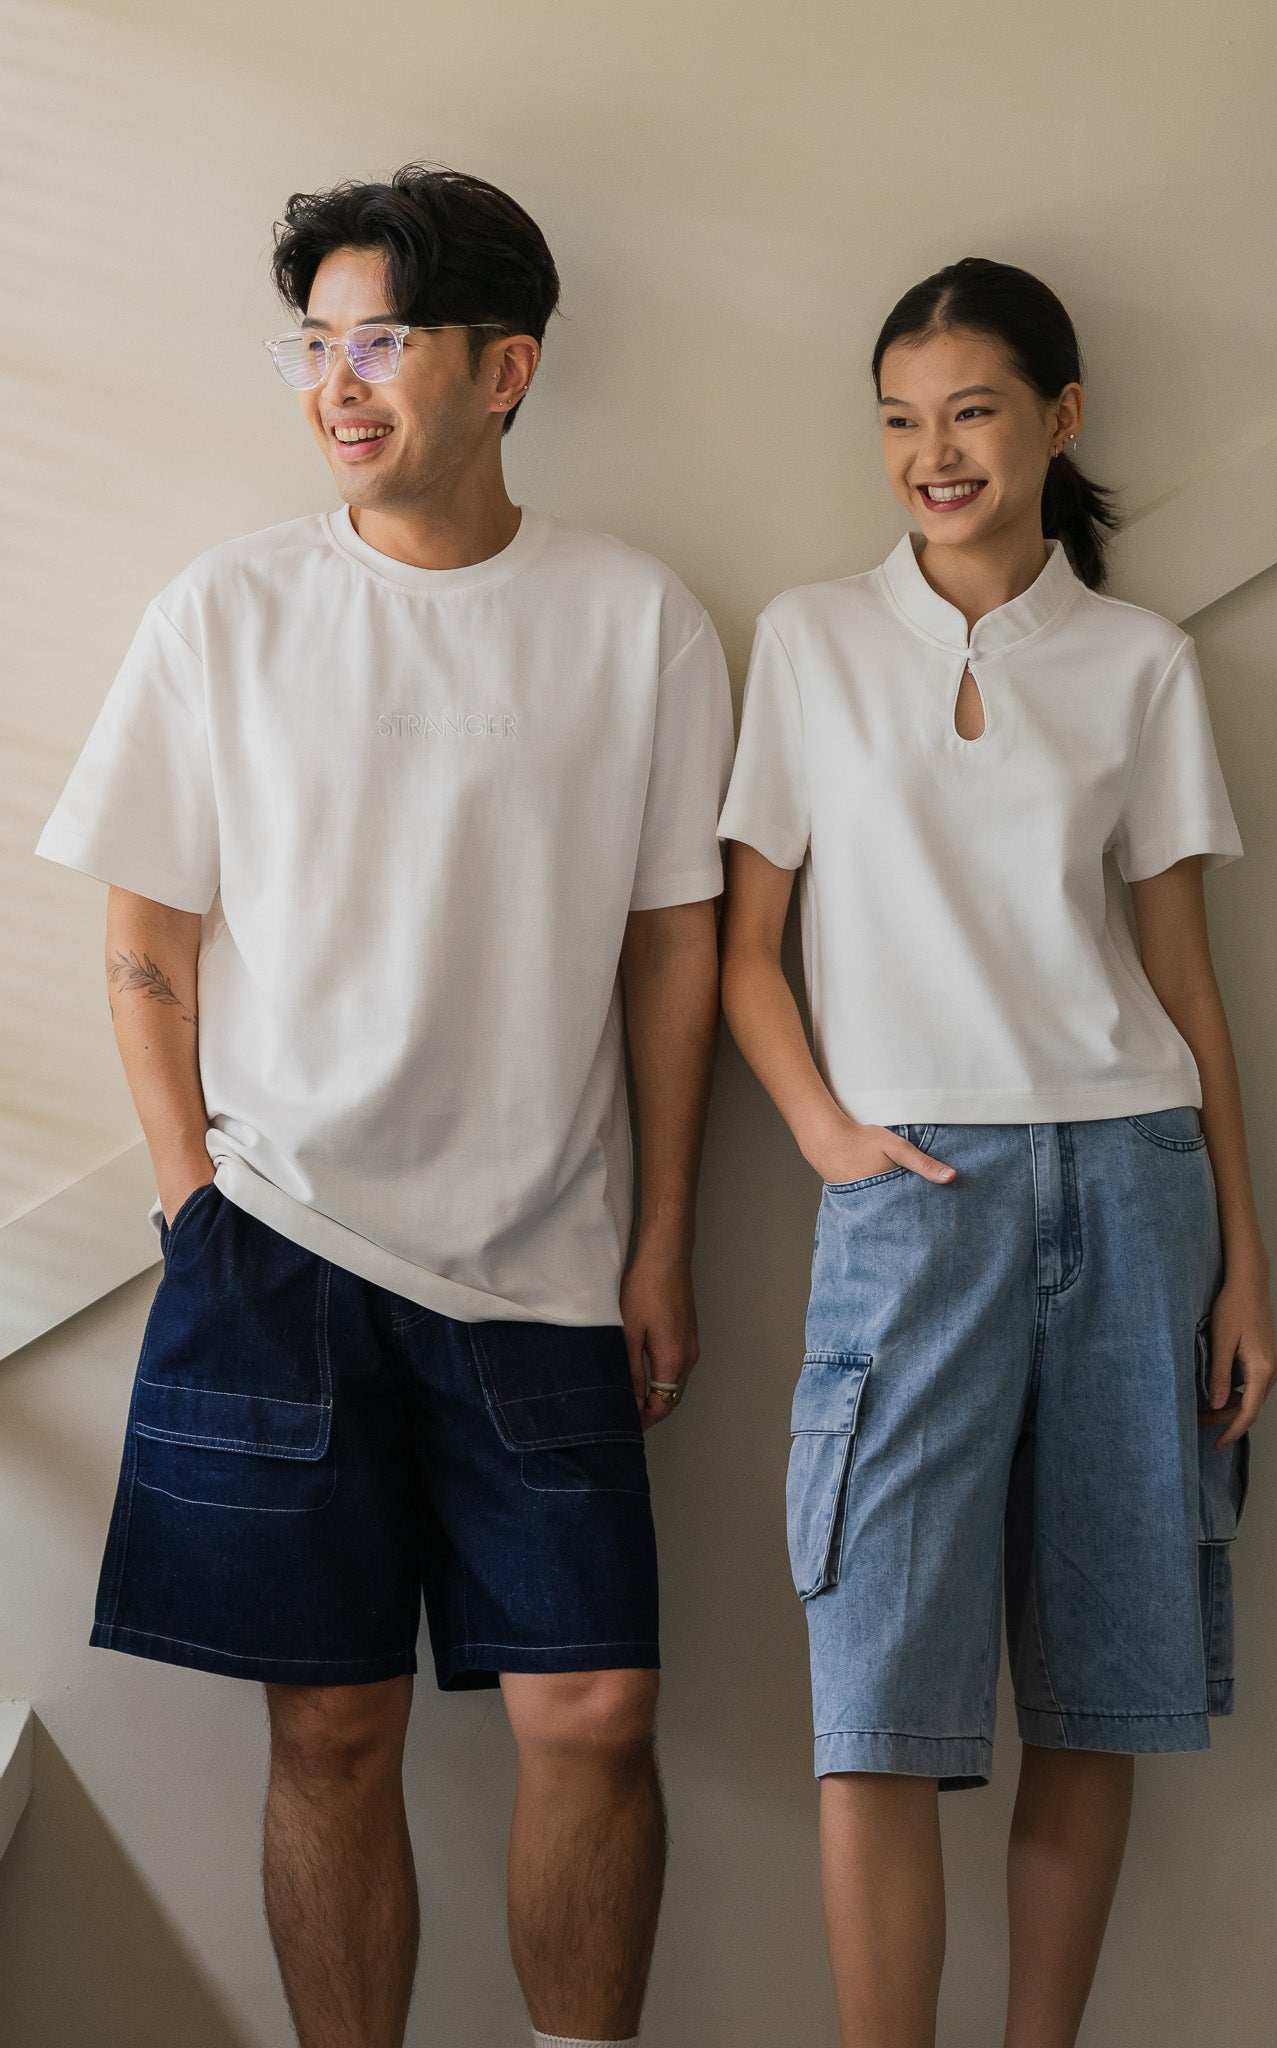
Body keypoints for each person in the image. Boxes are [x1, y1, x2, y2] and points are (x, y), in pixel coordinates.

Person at [35, 163, 734, 2048]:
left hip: (551, 1260)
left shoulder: (637, 620)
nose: (336, 385)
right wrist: (189, 1200)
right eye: (315, 345)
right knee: (330, 1731)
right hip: (276, 1249)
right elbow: (144, 929)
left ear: (505, 370)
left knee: (596, 1715)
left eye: (382, 343)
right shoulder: (230, 610)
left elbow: (672, 953)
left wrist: (666, 1234)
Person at [717, 256, 1277, 2048]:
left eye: (969, 411)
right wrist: (830, 1138)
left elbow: (1182, 981)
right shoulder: (809, 640)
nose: (933, 453)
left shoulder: (1139, 664)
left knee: (1096, 1699)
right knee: (874, 1701)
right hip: (911, 1199)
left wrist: (1244, 1264)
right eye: (899, 420)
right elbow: (743, 953)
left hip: (1132, 1186)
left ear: (1058, 419)